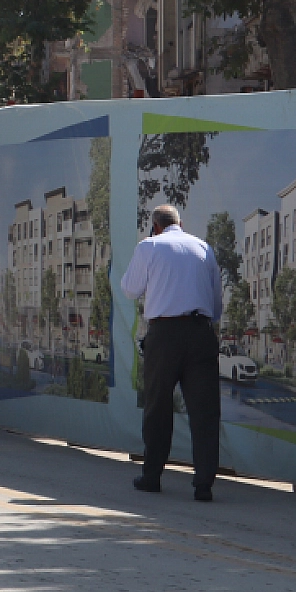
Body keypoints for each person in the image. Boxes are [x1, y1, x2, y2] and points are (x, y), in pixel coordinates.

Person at [122, 203, 223, 501]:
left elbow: (129, 290)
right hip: (201, 332)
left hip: (164, 334)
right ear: (180, 223)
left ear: (155, 226)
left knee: (157, 406)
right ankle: (204, 484)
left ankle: (152, 476)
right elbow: (216, 304)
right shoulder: (204, 248)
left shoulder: (149, 246)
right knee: (204, 412)